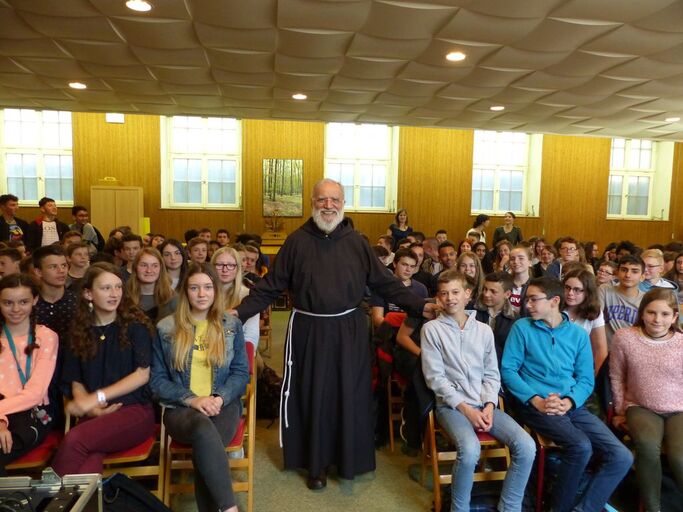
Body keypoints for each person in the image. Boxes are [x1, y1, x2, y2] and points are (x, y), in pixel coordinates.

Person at [234, 179, 436, 490]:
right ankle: (315, 465)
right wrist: (238, 313)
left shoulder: (356, 243)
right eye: (322, 200)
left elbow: (386, 283)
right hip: (309, 330)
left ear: (343, 203)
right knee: (314, 394)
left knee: (349, 394)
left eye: (334, 200)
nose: (328, 205)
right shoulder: (296, 242)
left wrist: (420, 306)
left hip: (349, 331)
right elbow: (270, 286)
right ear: (312, 203)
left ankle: (347, 461)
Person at [501, 277, 633, 512]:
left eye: (533, 299)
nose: (527, 304)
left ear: (554, 301)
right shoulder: (522, 328)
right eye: (526, 299)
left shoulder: (578, 334)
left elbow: (585, 379)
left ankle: (583, 509)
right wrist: (536, 400)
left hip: (570, 405)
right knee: (581, 446)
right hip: (535, 404)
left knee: (621, 456)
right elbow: (509, 371)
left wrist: (570, 401)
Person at [421, 270, 535, 512]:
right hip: (451, 406)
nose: (450, 298)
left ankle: (510, 506)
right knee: (470, 449)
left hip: (484, 406)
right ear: (438, 298)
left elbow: (492, 374)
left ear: (467, 294)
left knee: (526, 446)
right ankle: (459, 508)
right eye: (443, 294)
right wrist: (466, 409)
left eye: (455, 292)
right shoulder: (431, 329)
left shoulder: (483, 330)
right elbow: (435, 379)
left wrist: (489, 406)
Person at [151, 263, 248, 512]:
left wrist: (219, 397)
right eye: (194, 288)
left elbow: (239, 373)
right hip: (180, 410)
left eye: (207, 287)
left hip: (223, 405)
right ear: (185, 292)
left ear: (216, 291)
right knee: (203, 429)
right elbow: (158, 382)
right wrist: (192, 399)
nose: (202, 294)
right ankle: (230, 508)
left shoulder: (230, 325)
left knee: (205, 444)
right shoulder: (166, 328)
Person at [52, 263, 156, 476]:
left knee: (75, 440)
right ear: (88, 293)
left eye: (118, 287)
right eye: (106, 288)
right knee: (88, 458)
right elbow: (76, 380)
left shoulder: (136, 326)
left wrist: (96, 398)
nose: (114, 294)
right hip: (95, 415)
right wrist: (90, 407)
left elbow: (142, 374)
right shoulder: (79, 330)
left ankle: (46, 503)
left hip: (133, 410)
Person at [609, 288, 683, 512]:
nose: (657, 319)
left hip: (678, 409)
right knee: (648, 447)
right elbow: (617, 375)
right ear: (642, 313)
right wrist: (621, 410)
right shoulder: (625, 337)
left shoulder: (681, 342)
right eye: (651, 313)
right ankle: (653, 508)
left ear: (674, 317)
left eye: (664, 314)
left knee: (680, 456)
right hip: (640, 407)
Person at [0, 274, 58, 476]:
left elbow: (35, 393)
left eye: (23, 302)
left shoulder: (46, 336)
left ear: (35, 300)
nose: (16, 309)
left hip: (31, 413)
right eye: (8, 303)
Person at [563, 268, 608, 377]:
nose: (570, 293)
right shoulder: (555, 308)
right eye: (567, 288)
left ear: (587, 292)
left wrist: (597, 378)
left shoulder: (595, 312)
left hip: (581, 366)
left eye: (577, 290)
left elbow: (600, 349)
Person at [211, 247, 259, 347]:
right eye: (219, 265)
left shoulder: (249, 295)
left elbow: (250, 337)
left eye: (230, 265)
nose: (225, 269)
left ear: (237, 268)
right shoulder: (204, 293)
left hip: (236, 350)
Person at [370, 248, 428, 329]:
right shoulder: (382, 286)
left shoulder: (421, 288)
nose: (408, 270)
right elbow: (377, 319)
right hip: (388, 333)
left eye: (412, 266)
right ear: (394, 263)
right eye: (404, 264)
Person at [599, 254, 645, 347]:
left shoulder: (646, 299)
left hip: (632, 350)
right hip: (606, 350)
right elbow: (594, 318)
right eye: (624, 270)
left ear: (642, 277)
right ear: (617, 273)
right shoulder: (605, 290)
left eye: (634, 271)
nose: (628, 275)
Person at [475, 271, 518, 370]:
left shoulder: (514, 320)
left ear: (507, 294)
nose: (486, 294)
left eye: (493, 291)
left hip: (499, 369)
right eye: (485, 289)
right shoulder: (471, 310)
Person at [126, 247, 177, 322]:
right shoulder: (124, 296)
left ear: (161, 268)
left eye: (155, 266)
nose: (149, 270)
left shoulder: (173, 298)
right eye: (144, 265)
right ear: (135, 267)